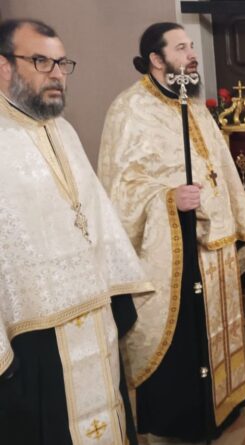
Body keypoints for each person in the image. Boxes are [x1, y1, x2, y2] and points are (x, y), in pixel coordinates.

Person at [98, 22, 245, 442]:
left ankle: (224, 406)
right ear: (156, 59)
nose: (192, 55)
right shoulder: (129, 109)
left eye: (191, 46)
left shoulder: (192, 105)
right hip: (171, 247)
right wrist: (167, 199)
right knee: (185, 338)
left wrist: (235, 219)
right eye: (181, 48)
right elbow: (119, 188)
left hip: (213, 243)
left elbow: (219, 167)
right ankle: (185, 420)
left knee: (217, 328)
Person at [0, 19, 152, 444]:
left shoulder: (63, 130)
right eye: (41, 61)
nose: (57, 74)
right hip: (35, 334)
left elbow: (96, 214)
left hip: (96, 315)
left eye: (62, 63)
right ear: (4, 66)